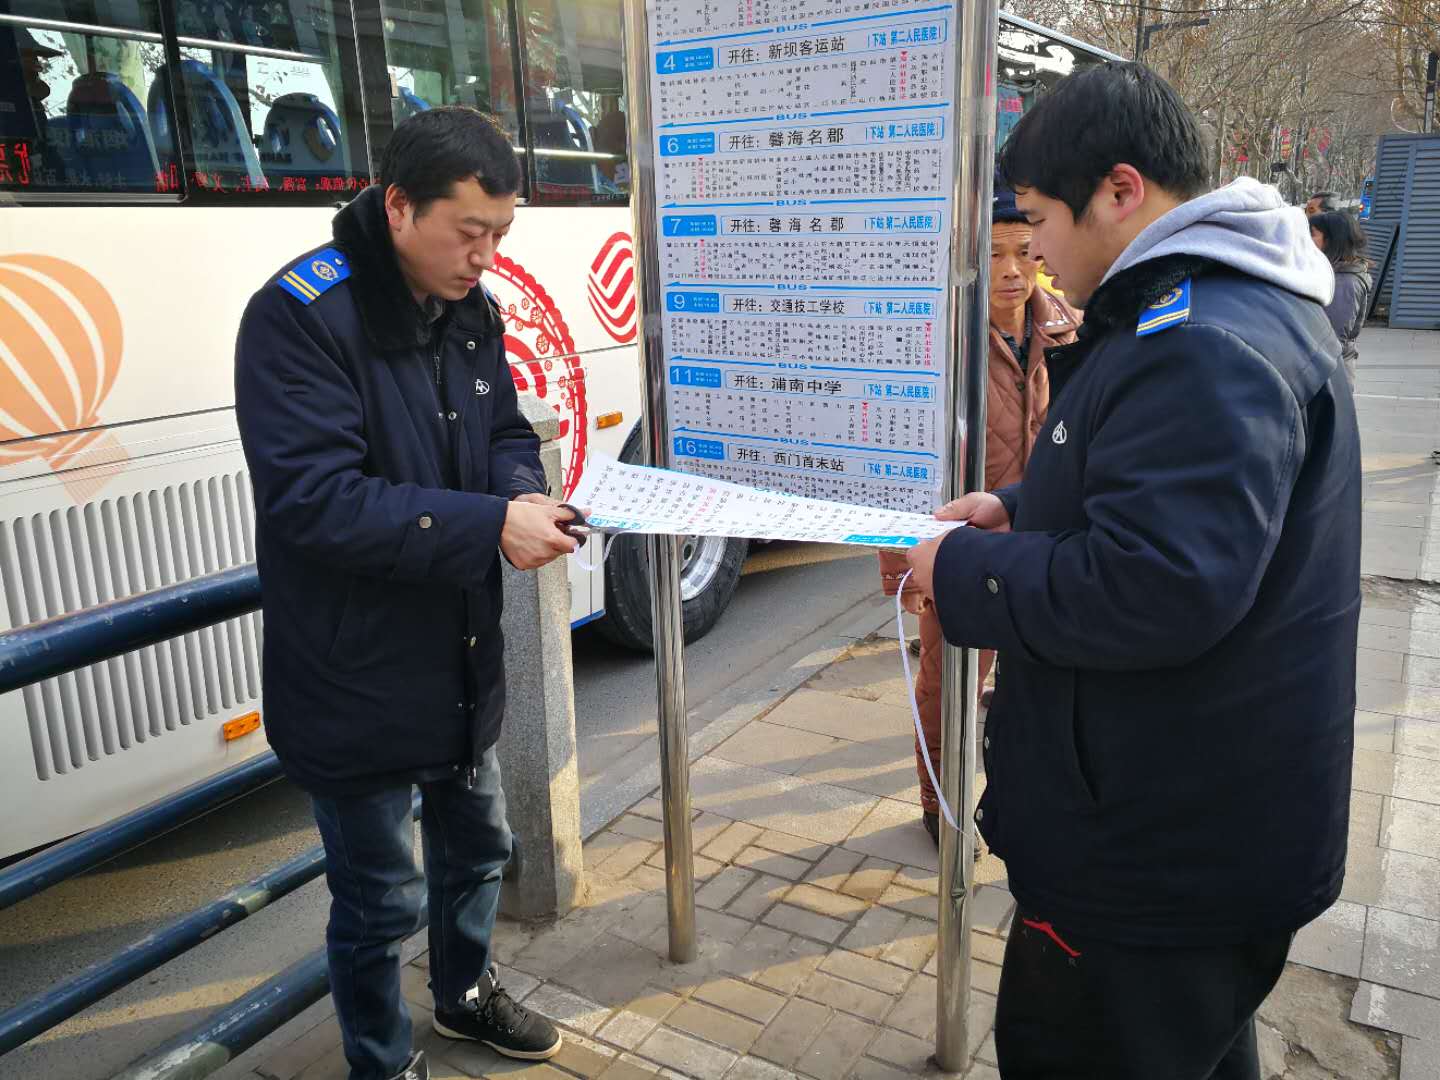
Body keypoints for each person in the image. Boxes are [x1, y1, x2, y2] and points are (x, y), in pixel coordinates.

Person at [906, 63, 1358, 1079]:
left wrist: (966, 569)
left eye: (1039, 222)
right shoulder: (1204, 308)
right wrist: (1019, 507)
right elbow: (1148, 488)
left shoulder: (1203, 342)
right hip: (1188, 830)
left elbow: (1156, 586)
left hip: (1154, 859)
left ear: (1120, 190)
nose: (1035, 254)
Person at [235, 107, 580, 1080]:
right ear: (397, 207)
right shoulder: (300, 317)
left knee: (479, 850)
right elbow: (317, 502)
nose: (486, 257)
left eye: (500, 234)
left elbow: (505, 432)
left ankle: (464, 995)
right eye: (469, 232)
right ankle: (383, 1063)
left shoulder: (470, 308)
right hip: (352, 673)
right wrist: (488, 527)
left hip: (459, 654)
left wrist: (520, 492)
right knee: (379, 899)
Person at [878, 182, 1079, 847]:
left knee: (1035, 684)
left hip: (1047, 548)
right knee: (948, 687)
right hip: (960, 550)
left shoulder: (1070, 328)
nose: (1012, 271)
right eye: (993, 255)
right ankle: (941, 804)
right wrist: (903, 571)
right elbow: (900, 459)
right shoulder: (936, 339)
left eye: (1024, 252)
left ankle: (1017, 801)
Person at [1310, 210, 1371, 386]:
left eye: (1312, 234)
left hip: (1329, 375)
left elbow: (1333, 338)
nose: (1306, 240)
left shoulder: (1344, 282)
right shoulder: (1332, 275)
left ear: (1331, 241)